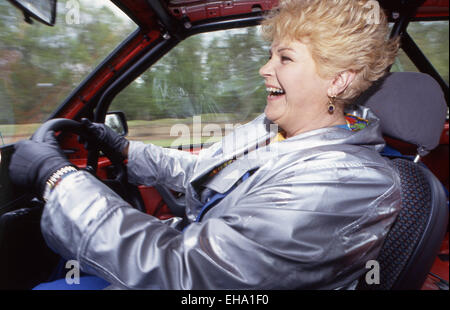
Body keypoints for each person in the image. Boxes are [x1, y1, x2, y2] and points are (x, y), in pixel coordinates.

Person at [9, 0, 402, 290]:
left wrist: (60, 178)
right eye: (270, 55)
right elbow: (203, 170)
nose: (265, 69)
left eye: (285, 58)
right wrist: (127, 150)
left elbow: (194, 275)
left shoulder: (348, 182)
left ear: (338, 80)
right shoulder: (271, 128)